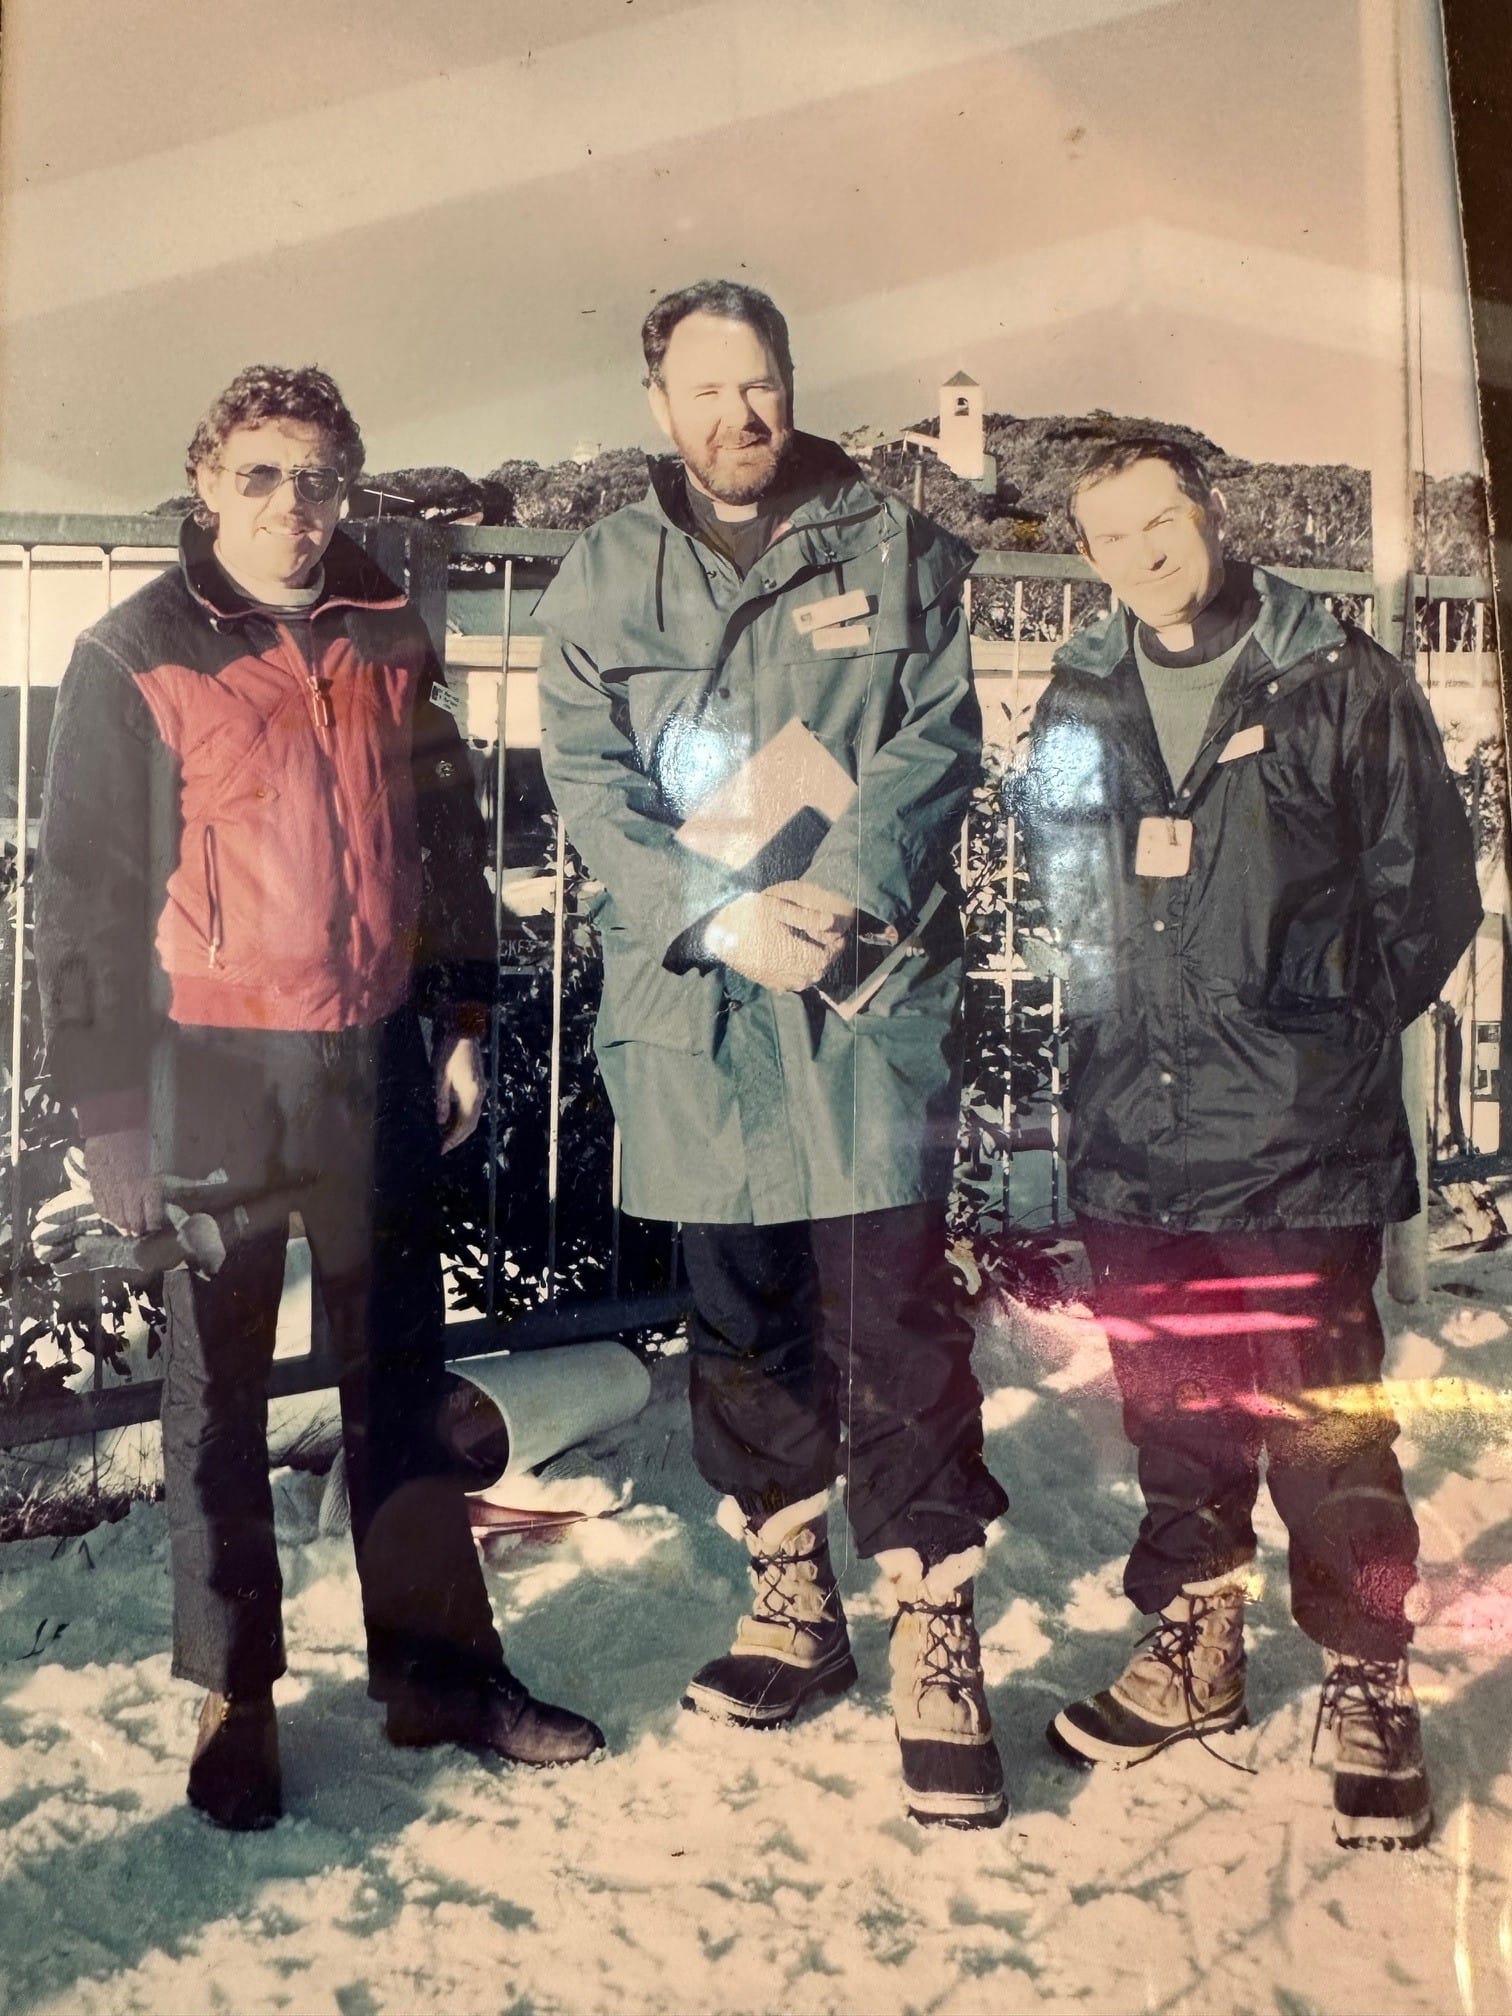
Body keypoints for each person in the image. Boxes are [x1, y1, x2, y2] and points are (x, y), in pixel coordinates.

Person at [35, 363, 602, 1831]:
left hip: (374, 1065)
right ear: (207, 484)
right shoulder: (135, 653)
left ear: (349, 489)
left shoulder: (387, 632)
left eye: (321, 479)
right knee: (218, 1401)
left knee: (396, 1384)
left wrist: (461, 1024)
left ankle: (437, 1679)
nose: (296, 509)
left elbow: (453, 846)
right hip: (212, 1077)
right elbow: (84, 908)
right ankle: (238, 1697)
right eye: (263, 476)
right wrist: (110, 1119)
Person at [536, 280, 1009, 1828]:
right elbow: (593, 784)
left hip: (858, 995)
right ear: (657, 406)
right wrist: (715, 914)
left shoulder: (891, 541)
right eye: (707, 389)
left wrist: (847, 890)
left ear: (793, 386)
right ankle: (791, 1594)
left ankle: (936, 1628)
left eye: (765, 384)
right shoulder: (603, 574)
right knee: (741, 1327)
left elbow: (938, 734)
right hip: (700, 1002)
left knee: (895, 1316)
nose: (742, 417)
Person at [1021, 435, 1481, 1849]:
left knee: (1320, 1414)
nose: (1147, 550)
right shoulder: (1081, 690)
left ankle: (1366, 1676)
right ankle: (1196, 1647)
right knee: (1176, 1409)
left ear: (1212, 517)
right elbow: (1065, 885)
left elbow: (1432, 900)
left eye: (1166, 519)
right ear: (1087, 554)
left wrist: (1316, 1044)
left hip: (1295, 1141)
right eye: (1113, 534)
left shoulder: (1340, 678)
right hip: (1134, 1130)